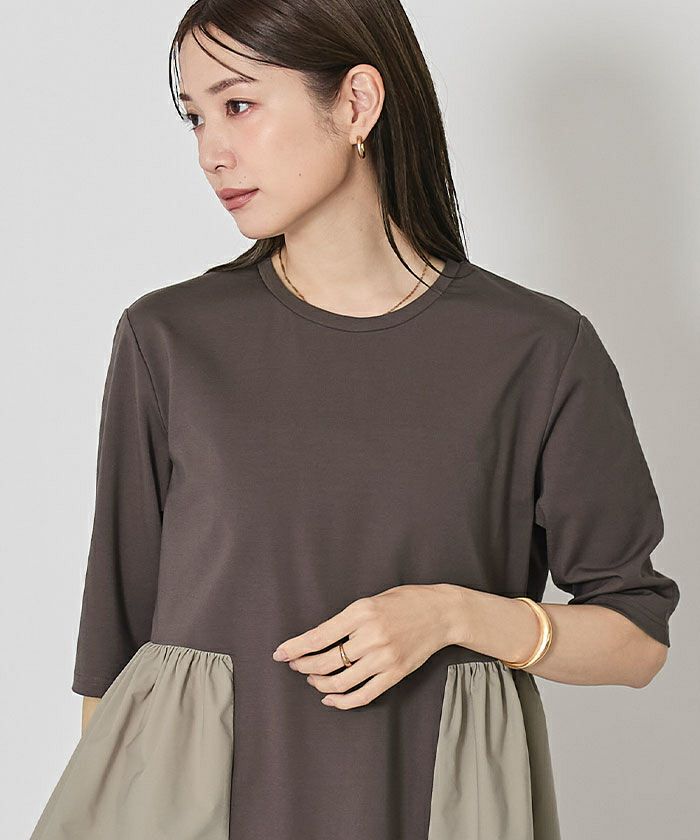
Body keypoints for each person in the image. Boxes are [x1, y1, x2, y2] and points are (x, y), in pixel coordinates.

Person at [29, 2, 680, 839]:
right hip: (199, 812)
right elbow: (113, 654)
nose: (210, 151)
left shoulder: (536, 349)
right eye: (195, 117)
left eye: (238, 105)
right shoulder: (170, 339)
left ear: (357, 103)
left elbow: (636, 639)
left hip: (431, 804)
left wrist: (454, 615)